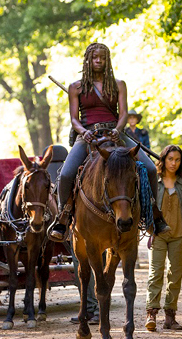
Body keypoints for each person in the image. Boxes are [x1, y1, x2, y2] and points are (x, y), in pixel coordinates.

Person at [49, 42, 169, 242]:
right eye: (95, 57)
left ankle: (154, 215)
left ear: (108, 60)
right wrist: (84, 132)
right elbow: (74, 119)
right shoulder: (75, 87)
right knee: (67, 173)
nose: (99, 61)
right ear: (88, 60)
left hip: (115, 134)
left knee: (149, 168)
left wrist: (117, 130)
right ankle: (63, 217)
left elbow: (123, 114)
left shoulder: (118, 84)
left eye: (102, 58)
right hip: (87, 135)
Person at [145, 145, 182, 331]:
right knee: (155, 273)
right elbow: (145, 206)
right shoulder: (154, 180)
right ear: (163, 160)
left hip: (179, 235)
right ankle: (151, 313)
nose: (174, 163)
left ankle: (170, 316)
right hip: (158, 234)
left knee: (175, 276)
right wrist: (150, 230)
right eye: (170, 159)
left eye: (177, 160)